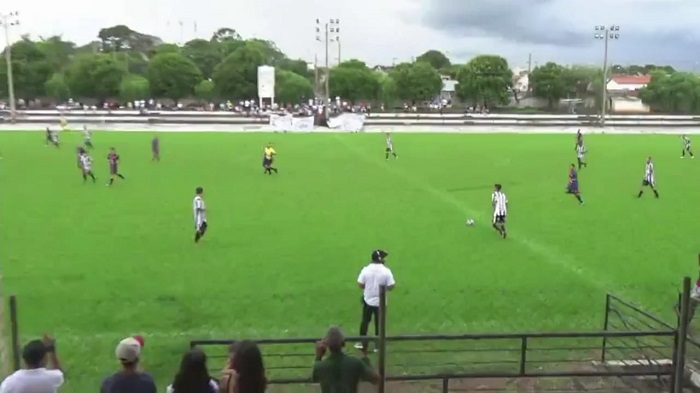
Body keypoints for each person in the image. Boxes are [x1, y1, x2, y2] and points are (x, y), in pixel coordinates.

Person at [312, 326, 380, 393]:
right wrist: (364, 357)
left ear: (327, 345)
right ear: (343, 343)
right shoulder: (355, 363)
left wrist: (318, 356)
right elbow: (375, 379)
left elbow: (314, 378)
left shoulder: (320, 366)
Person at [355, 250, 395, 352]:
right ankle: (378, 345)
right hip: (380, 302)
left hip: (367, 300)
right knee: (379, 323)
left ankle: (361, 342)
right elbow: (391, 286)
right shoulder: (386, 271)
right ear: (380, 259)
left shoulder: (365, 270)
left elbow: (360, 284)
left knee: (365, 321)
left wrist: (368, 287)